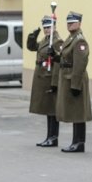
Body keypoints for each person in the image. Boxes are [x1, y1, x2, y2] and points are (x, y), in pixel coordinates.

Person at [52, 11, 91, 153]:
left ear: (79, 24)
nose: (69, 25)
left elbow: (80, 64)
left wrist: (76, 84)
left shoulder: (79, 40)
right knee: (75, 112)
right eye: (68, 22)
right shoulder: (71, 38)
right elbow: (66, 60)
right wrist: (55, 56)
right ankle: (76, 141)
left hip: (74, 79)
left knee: (78, 112)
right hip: (67, 77)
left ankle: (79, 142)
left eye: (72, 22)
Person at [26, 15, 63, 146]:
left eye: (49, 27)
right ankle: (49, 136)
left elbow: (58, 63)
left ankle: (53, 137)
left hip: (49, 78)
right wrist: (32, 36)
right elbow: (32, 47)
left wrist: (54, 82)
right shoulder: (46, 39)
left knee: (52, 110)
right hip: (42, 77)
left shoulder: (57, 41)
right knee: (48, 110)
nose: (46, 30)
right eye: (45, 28)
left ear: (55, 27)